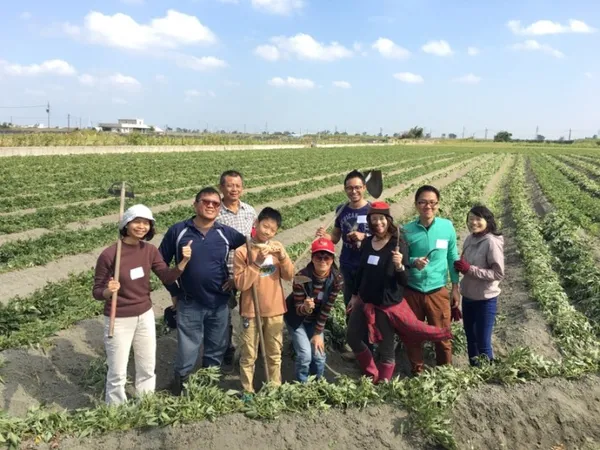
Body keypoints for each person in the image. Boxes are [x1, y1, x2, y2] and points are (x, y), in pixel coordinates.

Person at [93, 204, 193, 405]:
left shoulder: (149, 251)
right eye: (137, 222)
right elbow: (97, 292)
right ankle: (115, 409)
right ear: (126, 224)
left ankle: (145, 402)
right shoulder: (110, 254)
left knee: (147, 366)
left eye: (146, 223)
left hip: (145, 314)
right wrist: (108, 291)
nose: (141, 227)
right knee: (117, 370)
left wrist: (182, 263)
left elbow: (165, 275)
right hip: (119, 318)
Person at [346, 202, 452, 382]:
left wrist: (400, 266)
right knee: (352, 337)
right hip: (365, 301)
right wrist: (355, 296)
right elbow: (361, 272)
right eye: (374, 219)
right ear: (370, 222)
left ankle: (384, 383)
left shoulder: (398, 244)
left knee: (386, 349)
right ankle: (372, 373)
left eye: (381, 218)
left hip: (386, 305)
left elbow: (404, 281)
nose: (378, 222)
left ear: (388, 220)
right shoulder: (367, 242)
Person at [158, 187, 246, 395]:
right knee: (187, 350)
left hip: (219, 302)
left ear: (219, 208)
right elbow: (159, 263)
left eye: (215, 204)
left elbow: (250, 248)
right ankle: (180, 388)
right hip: (189, 302)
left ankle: (208, 388)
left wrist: (236, 280)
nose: (210, 206)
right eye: (205, 202)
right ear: (195, 204)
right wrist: (174, 291)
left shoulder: (225, 233)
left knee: (216, 348)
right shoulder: (178, 231)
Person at [233, 207, 295, 397]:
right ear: (256, 224)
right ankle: (247, 391)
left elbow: (290, 275)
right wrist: (257, 262)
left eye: (272, 229)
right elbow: (241, 284)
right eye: (264, 226)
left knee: (274, 353)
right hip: (251, 311)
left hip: (275, 310)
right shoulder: (242, 251)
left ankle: (274, 389)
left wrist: (283, 256)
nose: (267, 231)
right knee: (249, 354)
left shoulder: (276, 250)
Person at [403, 185, 460, 376]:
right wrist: (413, 261)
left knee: (442, 334)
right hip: (413, 289)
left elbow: (452, 257)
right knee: (412, 335)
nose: (428, 206)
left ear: (438, 204)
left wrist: (455, 287)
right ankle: (417, 371)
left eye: (432, 202)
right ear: (416, 204)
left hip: (437, 289)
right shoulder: (407, 230)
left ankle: (445, 372)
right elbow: (401, 258)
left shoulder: (447, 227)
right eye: (423, 202)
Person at [316, 170, 370, 359]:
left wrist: (365, 237)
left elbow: (384, 237)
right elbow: (336, 237)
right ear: (345, 189)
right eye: (349, 188)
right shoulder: (341, 209)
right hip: (347, 264)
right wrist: (326, 237)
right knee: (350, 305)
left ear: (364, 188)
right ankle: (356, 346)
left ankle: (370, 346)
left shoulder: (372, 210)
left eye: (357, 187)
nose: (353, 191)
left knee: (369, 305)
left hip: (368, 267)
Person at [284, 238, 344, 382]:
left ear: (332, 259)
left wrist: (317, 333)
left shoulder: (337, 279)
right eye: (318, 256)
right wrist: (305, 308)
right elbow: (298, 309)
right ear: (312, 258)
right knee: (305, 355)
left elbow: (327, 308)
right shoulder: (301, 277)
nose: (323, 260)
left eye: (327, 257)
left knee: (318, 355)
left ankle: (317, 382)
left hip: (316, 320)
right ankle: (302, 384)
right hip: (296, 319)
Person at [216, 170, 257, 372]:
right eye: (230, 185)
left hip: (248, 271)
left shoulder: (250, 211)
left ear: (242, 188)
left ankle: (250, 348)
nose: (234, 189)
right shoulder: (215, 212)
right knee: (225, 313)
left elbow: (256, 239)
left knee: (249, 310)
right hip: (224, 271)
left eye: (238, 186)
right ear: (221, 188)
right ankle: (227, 350)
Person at [454, 205, 504, 366]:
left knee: (483, 341)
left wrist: (470, 269)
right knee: (471, 339)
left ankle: (488, 374)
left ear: (487, 221)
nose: (473, 223)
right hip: (468, 297)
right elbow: (465, 263)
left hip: (485, 299)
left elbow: (498, 273)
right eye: (470, 220)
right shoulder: (470, 239)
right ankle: (475, 372)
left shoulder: (491, 242)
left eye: (477, 219)